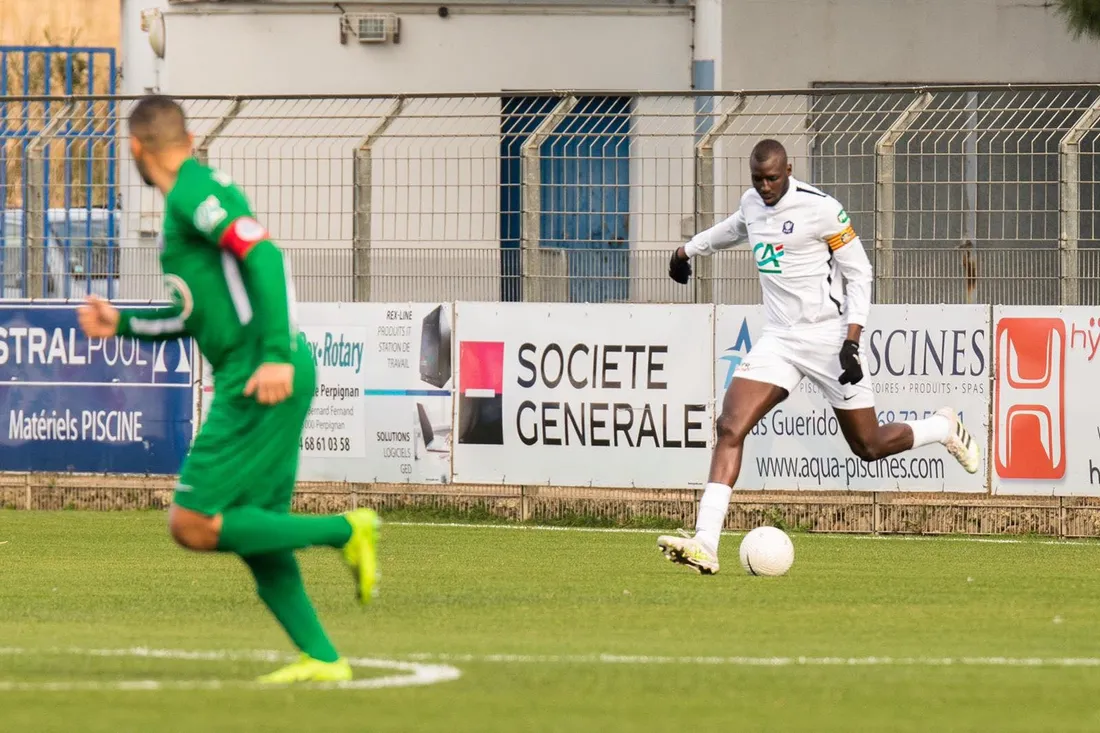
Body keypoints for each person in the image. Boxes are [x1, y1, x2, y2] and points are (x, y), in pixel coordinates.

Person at [77, 95, 379, 684]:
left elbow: (263, 254)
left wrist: (271, 357)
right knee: (254, 526)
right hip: (261, 367)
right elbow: (193, 315)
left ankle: (347, 529)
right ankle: (322, 658)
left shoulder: (192, 195)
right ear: (187, 139)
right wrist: (125, 323)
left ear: (136, 148)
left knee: (192, 522)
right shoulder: (186, 200)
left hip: (260, 373)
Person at [656, 139, 980, 575]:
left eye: (773, 178)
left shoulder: (822, 209)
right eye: (758, 179)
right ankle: (706, 543)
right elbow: (735, 227)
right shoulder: (752, 203)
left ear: (789, 169)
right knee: (730, 425)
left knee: (868, 445)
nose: (766, 186)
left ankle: (942, 426)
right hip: (780, 340)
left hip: (830, 340)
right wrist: (687, 250)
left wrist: (852, 338)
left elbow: (859, 272)